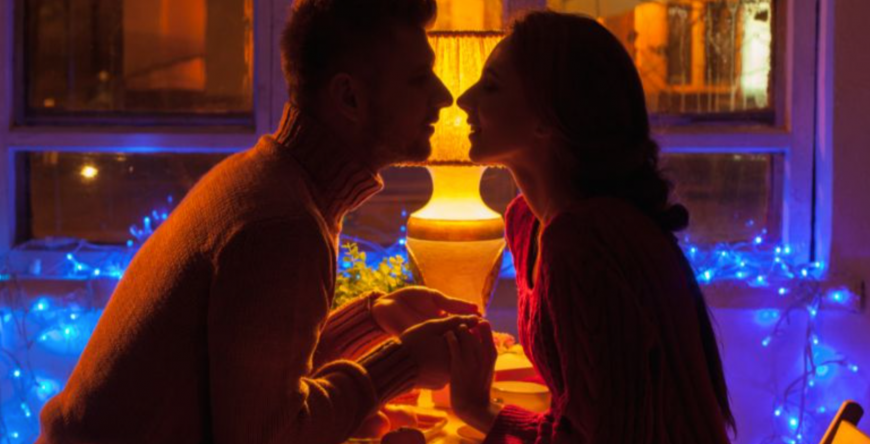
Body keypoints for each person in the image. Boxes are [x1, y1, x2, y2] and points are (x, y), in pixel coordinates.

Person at [36, 1, 481, 443]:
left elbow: (251, 381)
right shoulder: (283, 225)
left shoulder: (265, 178)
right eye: (418, 78)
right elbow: (268, 435)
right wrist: (401, 365)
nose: (444, 96)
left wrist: (370, 321)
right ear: (349, 98)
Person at [446, 11, 736, 444]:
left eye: (491, 86)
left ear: (548, 117)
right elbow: (580, 418)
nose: (464, 100)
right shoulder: (527, 222)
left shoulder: (583, 242)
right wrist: (480, 409)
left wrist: (481, 409)